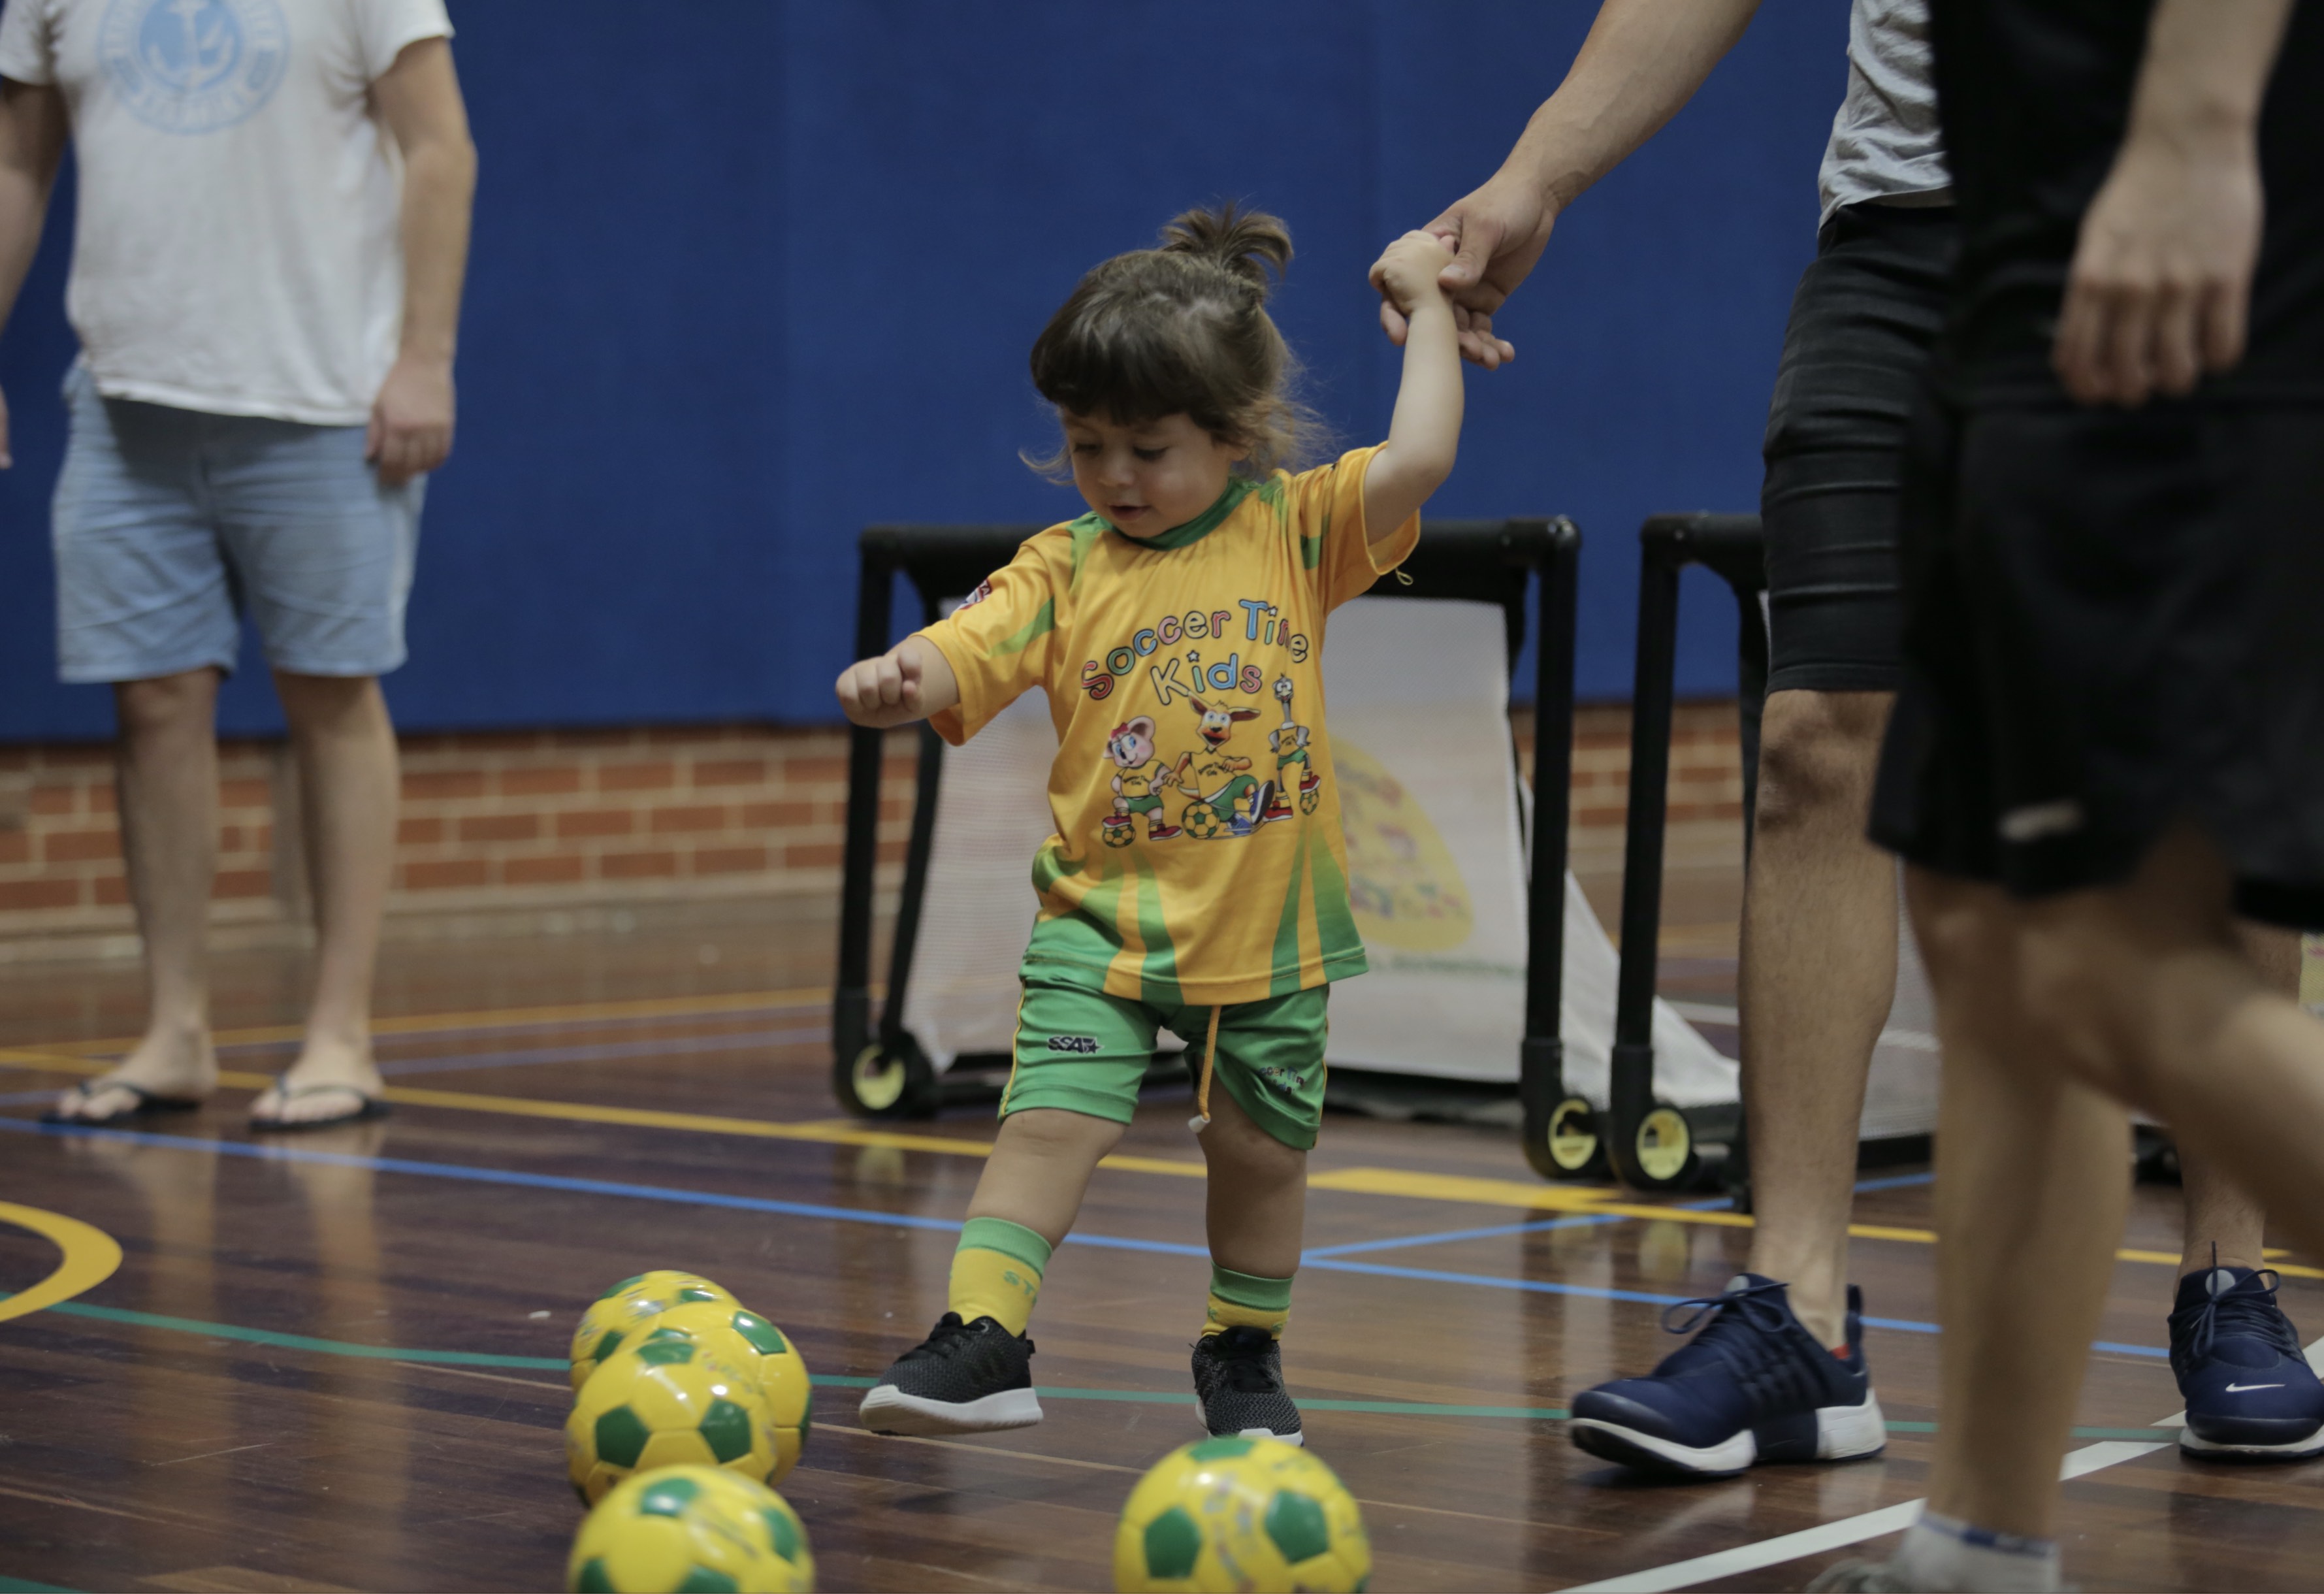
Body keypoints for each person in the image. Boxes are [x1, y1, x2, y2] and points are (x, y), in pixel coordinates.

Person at [1378, 0, 2323, 1478]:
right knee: (1838, 754)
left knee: (2167, 845)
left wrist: (2200, 142)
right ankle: (1808, 1323)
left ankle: (2233, 1279)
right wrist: (1537, 175)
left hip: (2212, 221)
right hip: (1921, 242)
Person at [1811, 1, 2324, 1586]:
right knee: (1987, 938)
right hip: (2016, 261)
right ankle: (1980, 1543)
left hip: (2153, 250)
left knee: (2104, 960)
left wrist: (2194, 122)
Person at [836, 205, 1464, 1444]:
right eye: (1085, 446)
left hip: (1267, 939)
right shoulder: (1063, 567)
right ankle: (985, 1334)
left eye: (1147, 449)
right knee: (1047, 1123)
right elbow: (969, 642)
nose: (1114, 476)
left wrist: (1433, 311)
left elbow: (1423, 456)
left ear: (1232, 438)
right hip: (1101, 925)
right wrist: (904, 674)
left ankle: (1241, 1348)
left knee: (1259, 1158)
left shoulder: (1294, 527)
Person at [0, 0, 476, 1129]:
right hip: (122, 400)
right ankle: (174, 1034)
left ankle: (339, 1038)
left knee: (330, 695)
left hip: (322, 401)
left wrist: (426, 359)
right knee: (153, 701)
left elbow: (439, 149)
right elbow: (19, 157)